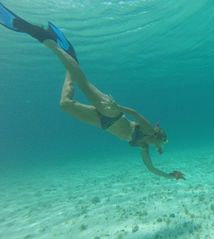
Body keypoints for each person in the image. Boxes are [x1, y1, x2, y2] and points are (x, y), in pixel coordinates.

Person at [0, 2, 185, 180]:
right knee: (83, 83)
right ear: (159, 137)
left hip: (102, 123)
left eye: (163, 145)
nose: (162, 147)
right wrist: (116, 105)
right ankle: (45, 38)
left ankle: (71, 59)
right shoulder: (149, 130)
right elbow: (135, 114)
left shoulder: (144, 146)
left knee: (65, 103)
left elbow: (151, 168)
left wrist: (170, 176)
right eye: (163, 143)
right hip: (112, 112)